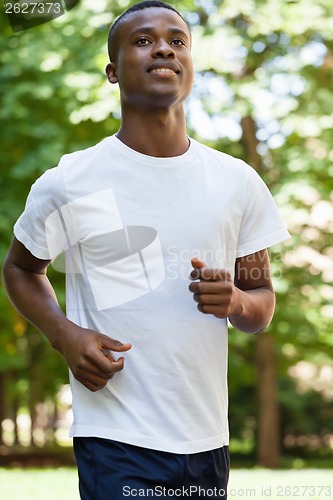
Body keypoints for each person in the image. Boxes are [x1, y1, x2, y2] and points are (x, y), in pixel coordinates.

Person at [2, 1, 290, 498]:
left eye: (178, 41)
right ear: (113, 71)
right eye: (142, 40)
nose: (163, 47)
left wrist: (238, 303)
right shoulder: (71, 180)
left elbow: (261, 302)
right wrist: (64, 335)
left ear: (191, 66)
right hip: (116, 437)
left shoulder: (238, 182)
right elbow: (21, 269)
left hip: (207, 441)